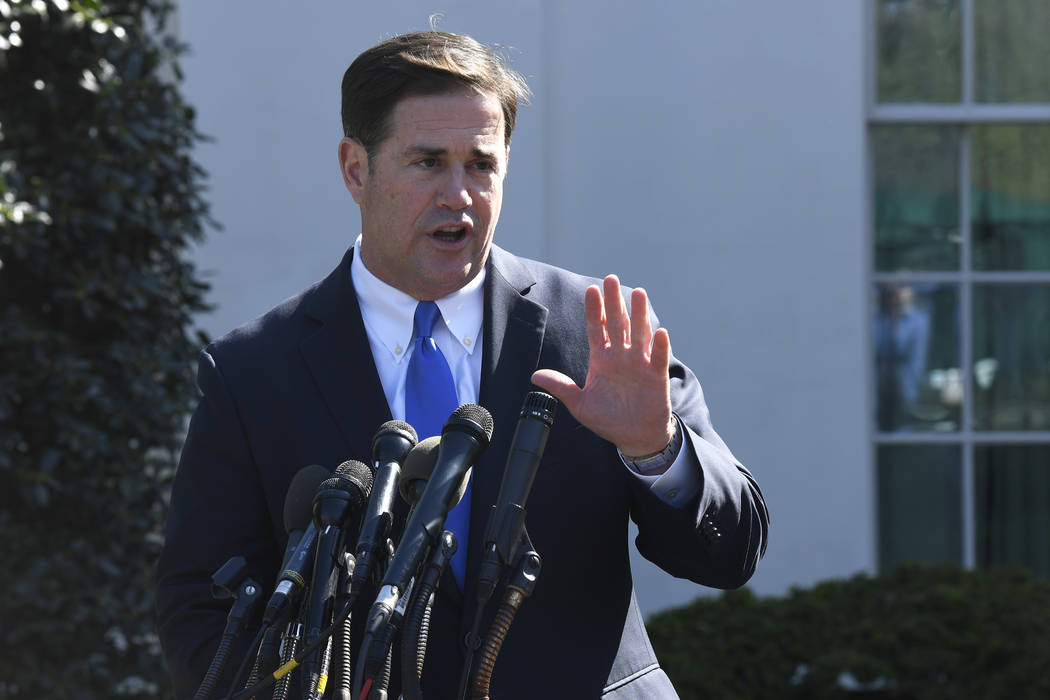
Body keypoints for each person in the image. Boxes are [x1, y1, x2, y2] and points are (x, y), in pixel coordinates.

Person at [156, 31, 769, 699]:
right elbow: (200, 612)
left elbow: (728, 555)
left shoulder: (597, 333)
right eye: (427, 163)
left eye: (481, 164)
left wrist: (657, 451)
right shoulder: (252, 372)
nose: (459, 195)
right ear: (356, 169)